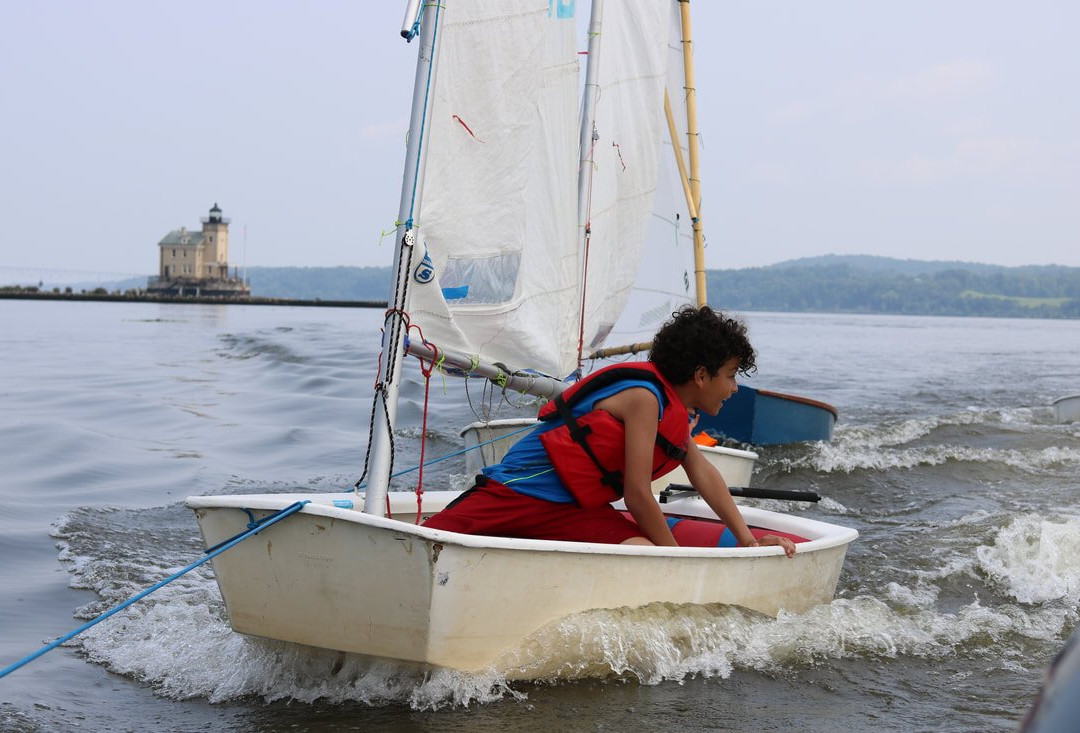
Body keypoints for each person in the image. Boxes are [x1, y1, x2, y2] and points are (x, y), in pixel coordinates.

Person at [423, 305, 796, 556]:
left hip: (573, 511)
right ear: (701, 376)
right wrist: (677, 558)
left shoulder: (675, 413)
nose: (733, 388)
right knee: (428, 542)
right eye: (730, 376)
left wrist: (747, 540)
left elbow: (703, 473)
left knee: (643, 553)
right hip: (517, 494)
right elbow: (636, 495)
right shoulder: (644, 399)